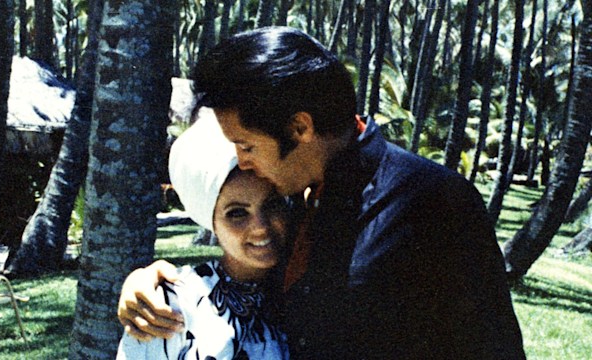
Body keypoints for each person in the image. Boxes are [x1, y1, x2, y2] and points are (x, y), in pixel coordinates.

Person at [118, 27, 526, 359]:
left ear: (300, 129)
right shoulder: (292, 199)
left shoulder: (434, 204)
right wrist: (149, 281)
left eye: (246, 146)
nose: (241, 162)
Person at [117, 111, 291, 359]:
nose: (260, 226)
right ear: (211, 222)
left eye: (272, 204)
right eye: (237, 213)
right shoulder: (172, 304)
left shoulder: (305, 287)